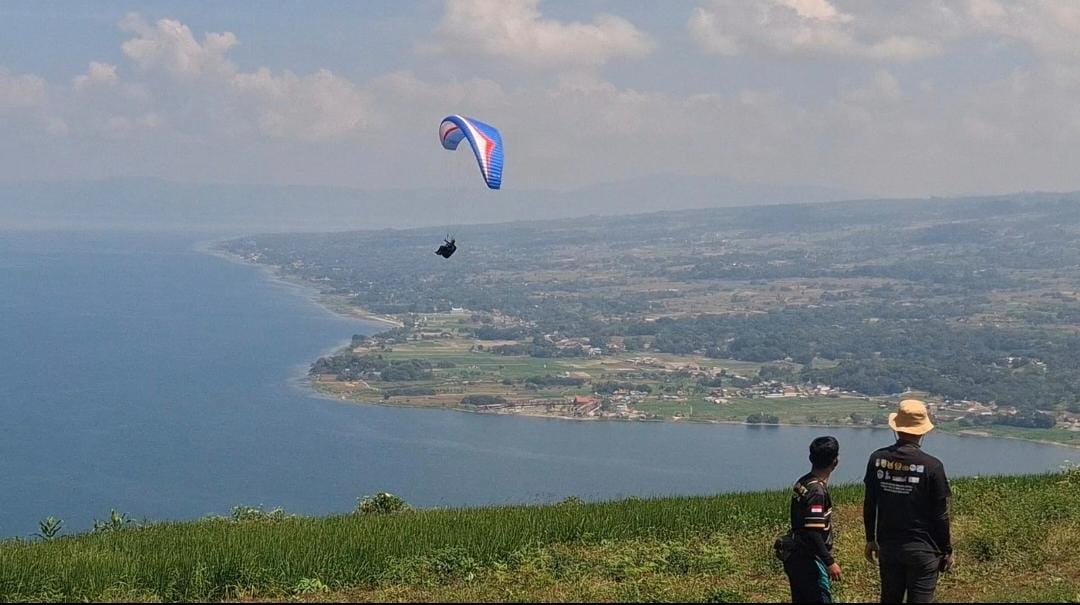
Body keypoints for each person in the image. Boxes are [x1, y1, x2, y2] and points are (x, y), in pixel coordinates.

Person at [864, 399, 954, 603]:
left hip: (889, 546)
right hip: (924, 549)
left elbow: (870, 503)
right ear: (922, 431)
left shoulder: (877, 459)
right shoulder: (932, 466)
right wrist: (947, 549)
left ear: (896, 428)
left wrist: (871, 538)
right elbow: (941, 515)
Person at [783, 436, 842, 603]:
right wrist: (829, 562)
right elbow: (813, 531)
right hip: (809, 560)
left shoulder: (804, 482)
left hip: (796, 556)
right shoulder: (817, 491)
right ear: (835, 461)